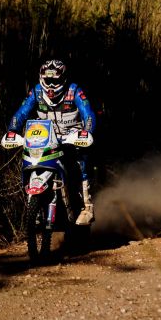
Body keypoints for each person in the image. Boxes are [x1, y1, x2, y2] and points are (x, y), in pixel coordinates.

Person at [6, 59, 96, 225]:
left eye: (55, 81)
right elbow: (21, 113)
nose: (51, 85)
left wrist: (87, 132)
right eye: (48, 80)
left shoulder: (74, 90)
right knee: (28, 160)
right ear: (42, 78)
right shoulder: (37, 92)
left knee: (80, 161)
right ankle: (33, 205)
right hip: (44, 138)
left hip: (71, 137)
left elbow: (88, 114)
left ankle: (87, 207)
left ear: (63, 79)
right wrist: (12, 130)